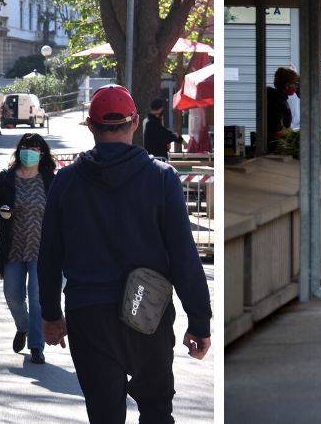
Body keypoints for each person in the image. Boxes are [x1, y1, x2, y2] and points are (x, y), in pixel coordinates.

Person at [39, 86, 212, 420]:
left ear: (90, 125)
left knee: (104, 414)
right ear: (135, 122)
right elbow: (183, 256)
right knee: (156, 409)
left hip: (88, 313)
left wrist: (50, 315)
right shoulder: (162, 179)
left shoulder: (66, 182)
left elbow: (49, 255)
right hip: (149, 310)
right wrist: (199, 320)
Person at [0, 132, 56, 363]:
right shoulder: (5, 178)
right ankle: (23, 326)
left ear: (42, 153)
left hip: (41, 249)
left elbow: (61, 212)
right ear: (19, 151)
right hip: (13, 247)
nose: (30, 153)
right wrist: (0, 210)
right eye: (26, 148)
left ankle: (37, 347)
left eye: (35, 149)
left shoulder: (50, 180)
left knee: (37, 298)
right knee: (13, 295)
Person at [265, 66, 298, 150]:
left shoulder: (278, 98)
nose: (296, 87)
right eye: (295, 84)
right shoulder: (278, 101)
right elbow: (277, 127)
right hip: (275, 145)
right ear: (287, 85)